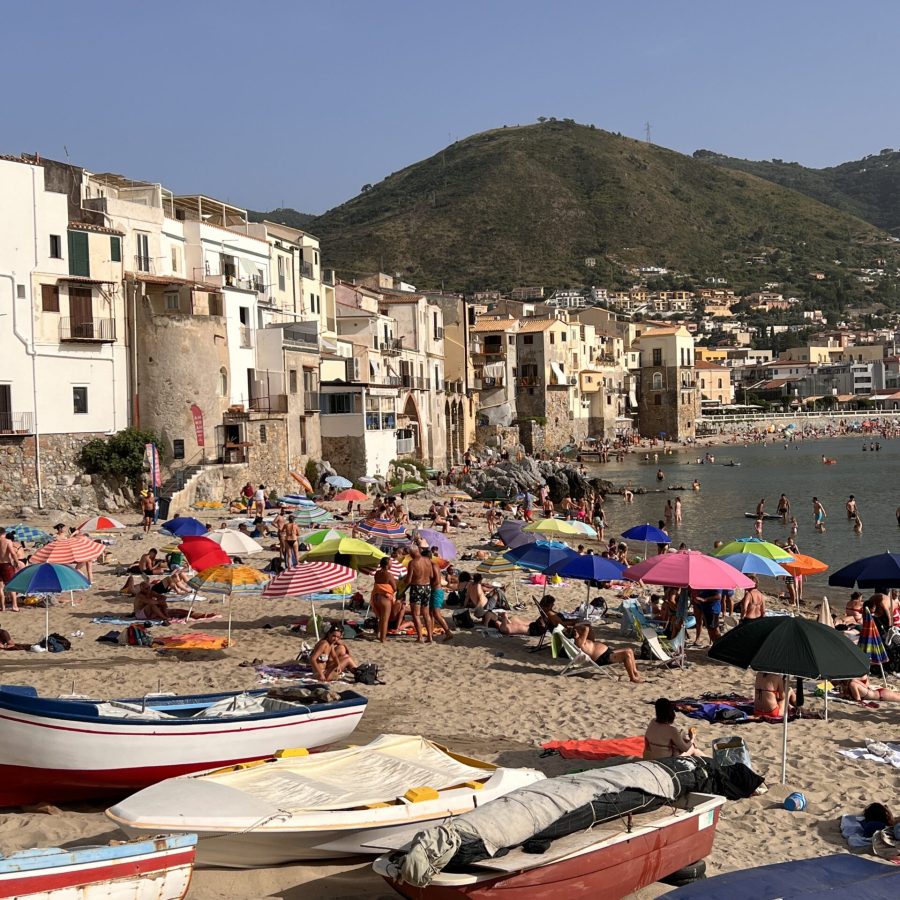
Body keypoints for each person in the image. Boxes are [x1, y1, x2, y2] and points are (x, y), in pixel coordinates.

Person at [573, 623, 642, 682]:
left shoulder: (584, 639)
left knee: (629, 650)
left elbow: (588, 628)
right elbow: (586, 628)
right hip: (602, 658)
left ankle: (635, 672)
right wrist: (576, 626)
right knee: (626, 654)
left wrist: (583, 625)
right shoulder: (578, 642)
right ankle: (632, 678)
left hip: (606, 653)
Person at [405, 544, 432, 643]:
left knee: (416, 614)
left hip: (417, 587)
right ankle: (430, 637)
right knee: (426, 613)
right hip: (427, 586)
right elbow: (431, 575)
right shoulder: (428, 560)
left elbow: (408, 580)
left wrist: (403, 580)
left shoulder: (412, 563)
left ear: (412, 553)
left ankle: (420, 637)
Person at [371, 557, 397, 643]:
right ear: (387, 565)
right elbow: (395, 587)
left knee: (380, 618)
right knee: (385, 619)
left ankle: (378, 634)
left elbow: (379, 584)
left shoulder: (377, 573)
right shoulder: (389, 574)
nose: (392, 564)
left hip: (376, 597)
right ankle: (383, 638)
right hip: (384, 598)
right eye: (390, 562)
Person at [0, 528, 22, 612]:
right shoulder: (7, 541)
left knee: (0, 587)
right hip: (6, 564)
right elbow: (12, 553)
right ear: (4, 533)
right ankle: (14, 606)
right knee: (11, 585)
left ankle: (3, 607)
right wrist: (17, 562)